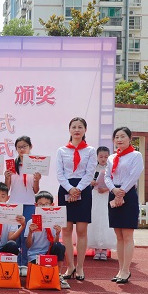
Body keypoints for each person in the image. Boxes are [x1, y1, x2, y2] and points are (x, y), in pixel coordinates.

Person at [55, 117, 97, 281]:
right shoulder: (62, 150)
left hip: (83, 190)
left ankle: (80, 267)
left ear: (85, 130)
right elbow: (60, 174)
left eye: (80, 127)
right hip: (66, 189)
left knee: (81, 230)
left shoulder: (90, 151)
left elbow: (90, 173)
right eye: (74, 127)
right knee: (66, 230)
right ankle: (70, 266)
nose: (77, 130)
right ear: (69, 130)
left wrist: (78, 190)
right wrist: (70, 189)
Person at [105, 127, 145, 284]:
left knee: (127, 235)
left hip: (128, 194)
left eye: (123, 136)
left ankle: (126, 270)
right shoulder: (111, 157)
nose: (119, 139)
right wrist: (114, 190)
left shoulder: (136, 155)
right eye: (116, 137)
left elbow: (135, 174)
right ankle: (120, 269)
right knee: (119, 236)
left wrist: (121, 192)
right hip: (114, 192)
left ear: (130, 138)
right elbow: (107, 176)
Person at [5, 135, 41, 267]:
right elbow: (7, 188)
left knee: (26, 234)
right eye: (19, 147)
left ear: (30, 147)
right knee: (15, 234)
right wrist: (6, 178)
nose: (22, 149)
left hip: (29, 203)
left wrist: (37, 180)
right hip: (14, 203)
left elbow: (36, 190)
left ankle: (24, 263)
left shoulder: (35, 165)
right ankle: (13, 263)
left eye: (24, 146)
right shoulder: (11, 165)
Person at [24, 191, 69, 289]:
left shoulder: (55, 222)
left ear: (52, 205)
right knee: (39, 276)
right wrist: (30, 232)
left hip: (49, 253)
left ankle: (58, 274)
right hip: (35, 256)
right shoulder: (31, 222)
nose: (43, 207)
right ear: (36, 205)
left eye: (46, 204)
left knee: (60, 246)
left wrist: (57, 234)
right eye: (40, 204)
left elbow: (55, 243)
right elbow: (28, 245)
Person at [87, 146, 117, 261]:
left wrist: (106, 189)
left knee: (106, 220)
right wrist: (92, 182)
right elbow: (87, 180)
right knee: (95, 219)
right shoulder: (92, 168)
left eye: (106, 157)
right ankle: (96, 249)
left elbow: (115, 183)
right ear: (97, 157)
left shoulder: (112, 168)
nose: (103, 159)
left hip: (107, 196)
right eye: (101, 157)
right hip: (95, 196)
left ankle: (104, 250)